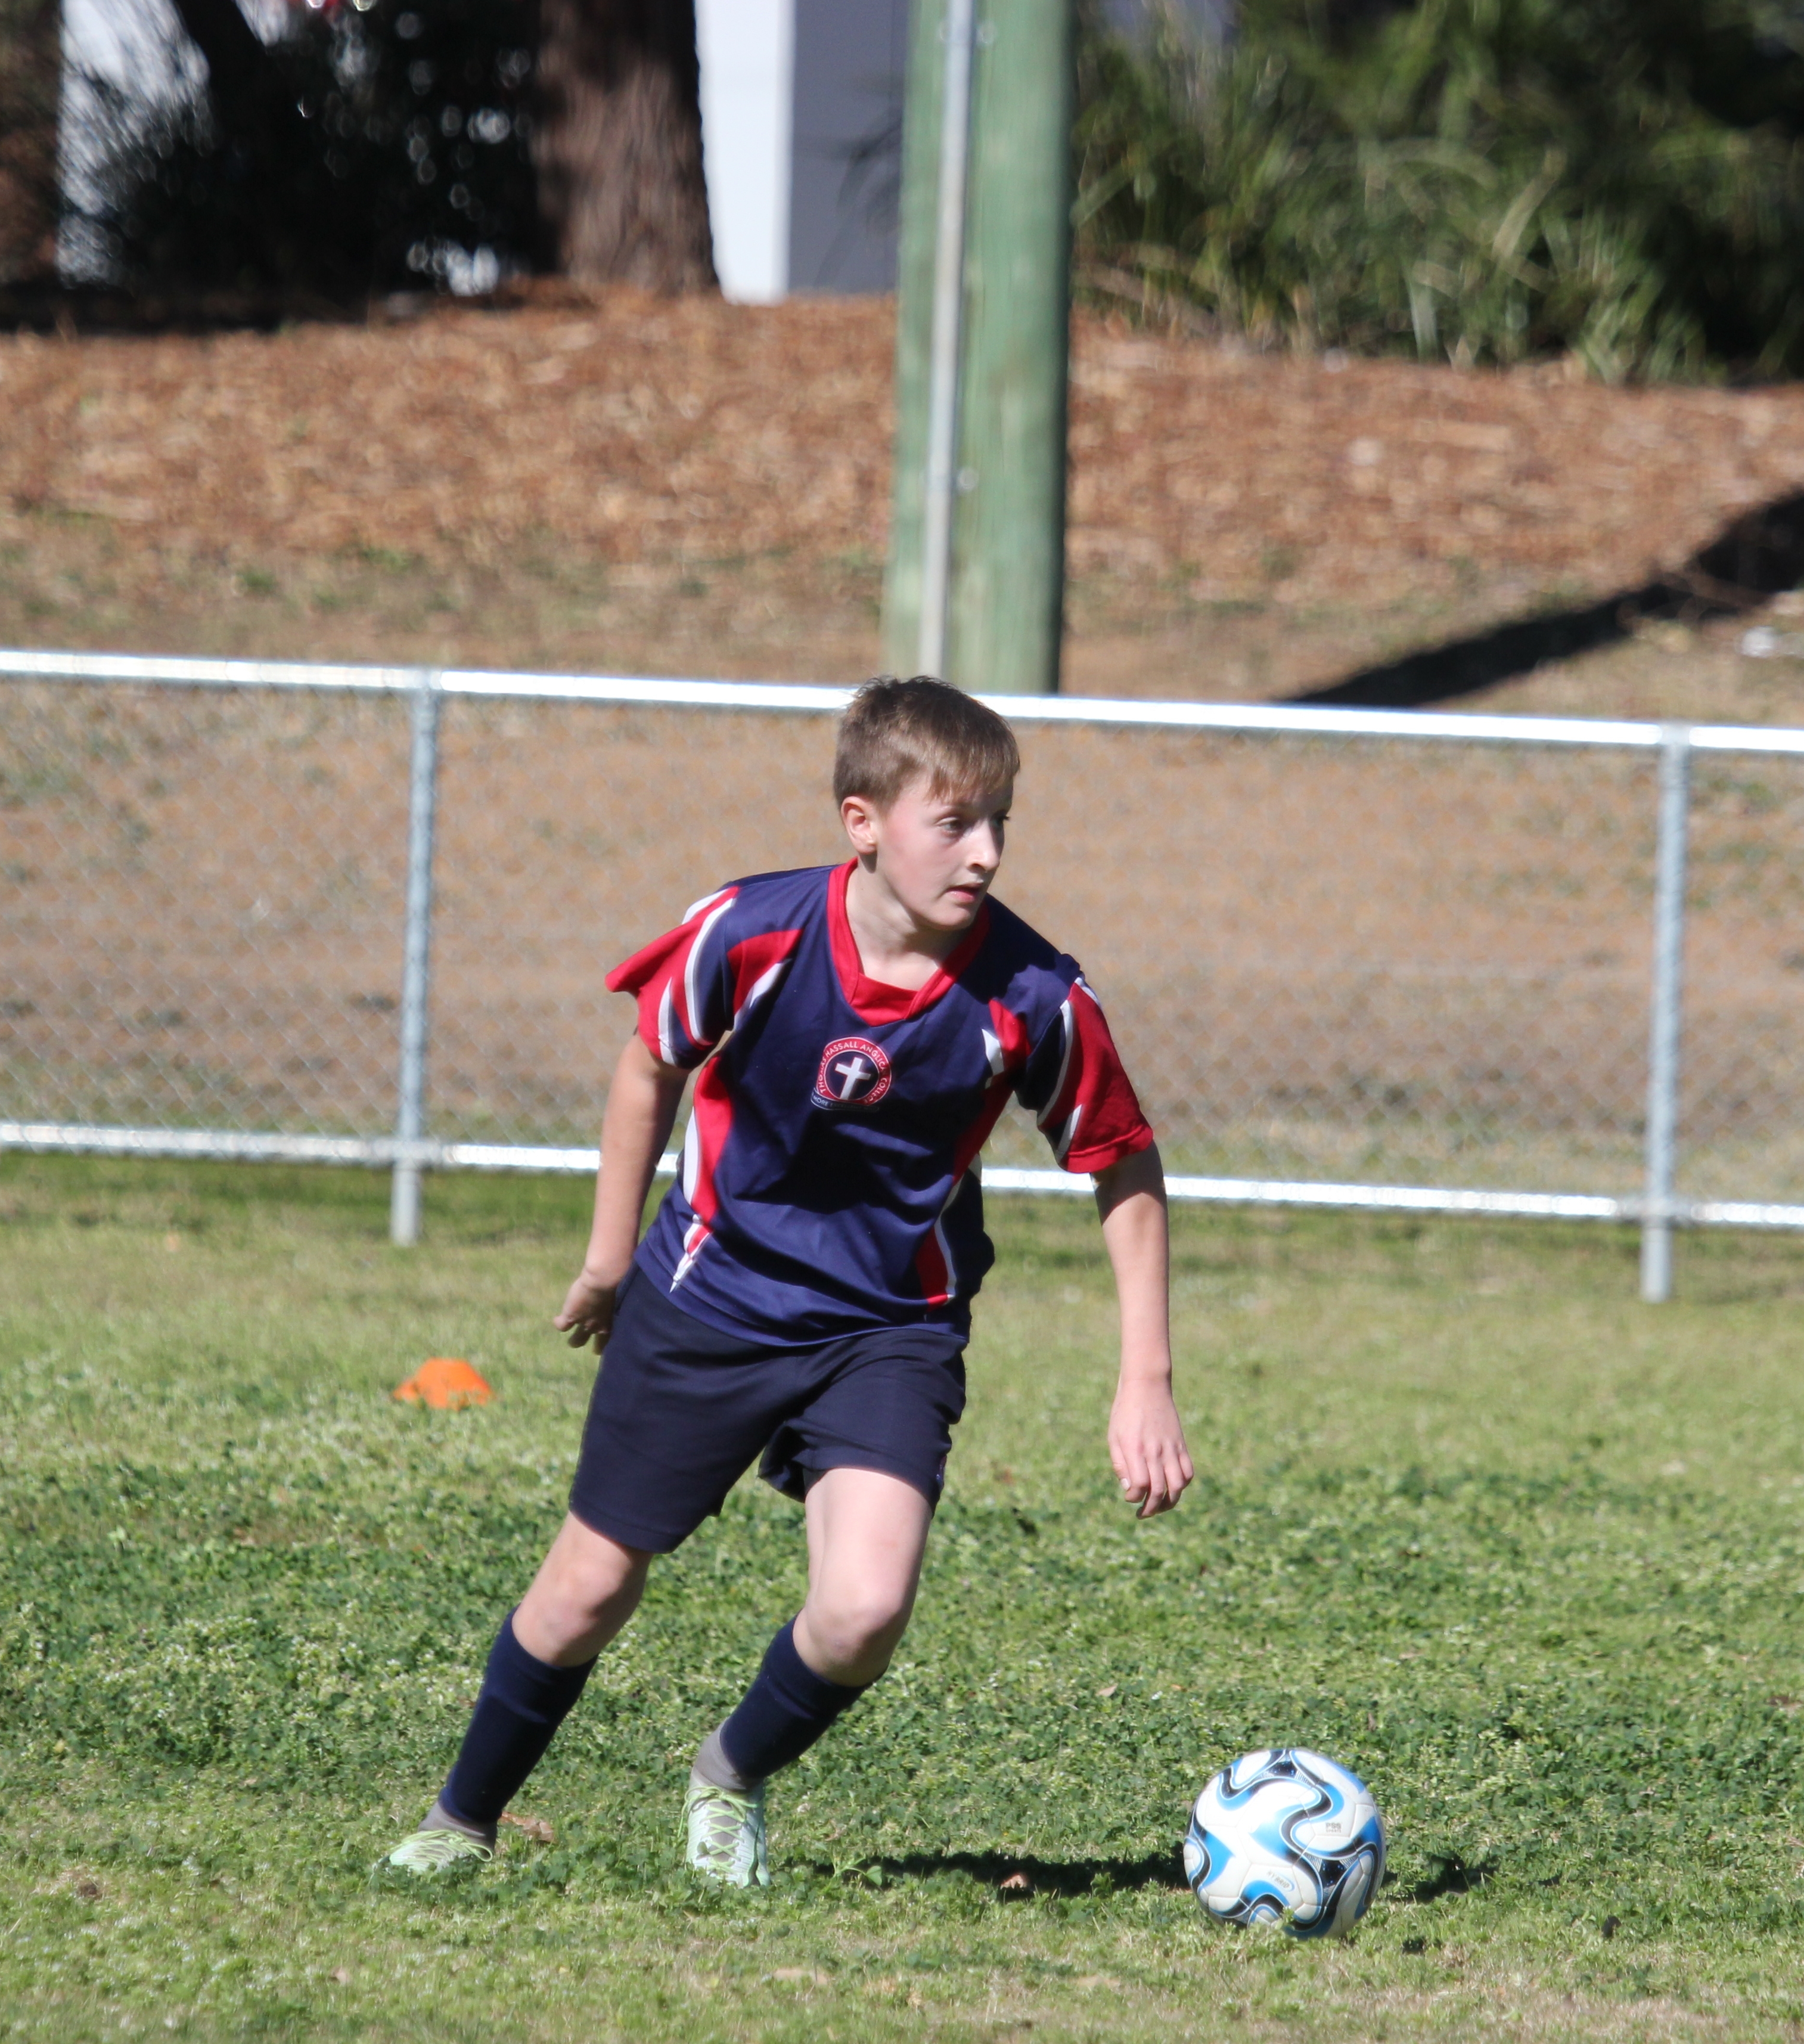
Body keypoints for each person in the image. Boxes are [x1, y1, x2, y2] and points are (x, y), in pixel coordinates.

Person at [380, 676, 1194, 1885]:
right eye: (954, 822)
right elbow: (648, 1068)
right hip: (710, 1298)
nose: (985, 853)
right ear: (863, 821)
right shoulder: (751, 933)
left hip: (888, 1326)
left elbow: (1122, 1165)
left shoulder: (1035, 998)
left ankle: (729, 1776)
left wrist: (1147, 1379)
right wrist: (610, 1259)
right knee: (585, 1593)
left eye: (1000, 824)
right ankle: (460, 1821)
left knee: (865, 1610)